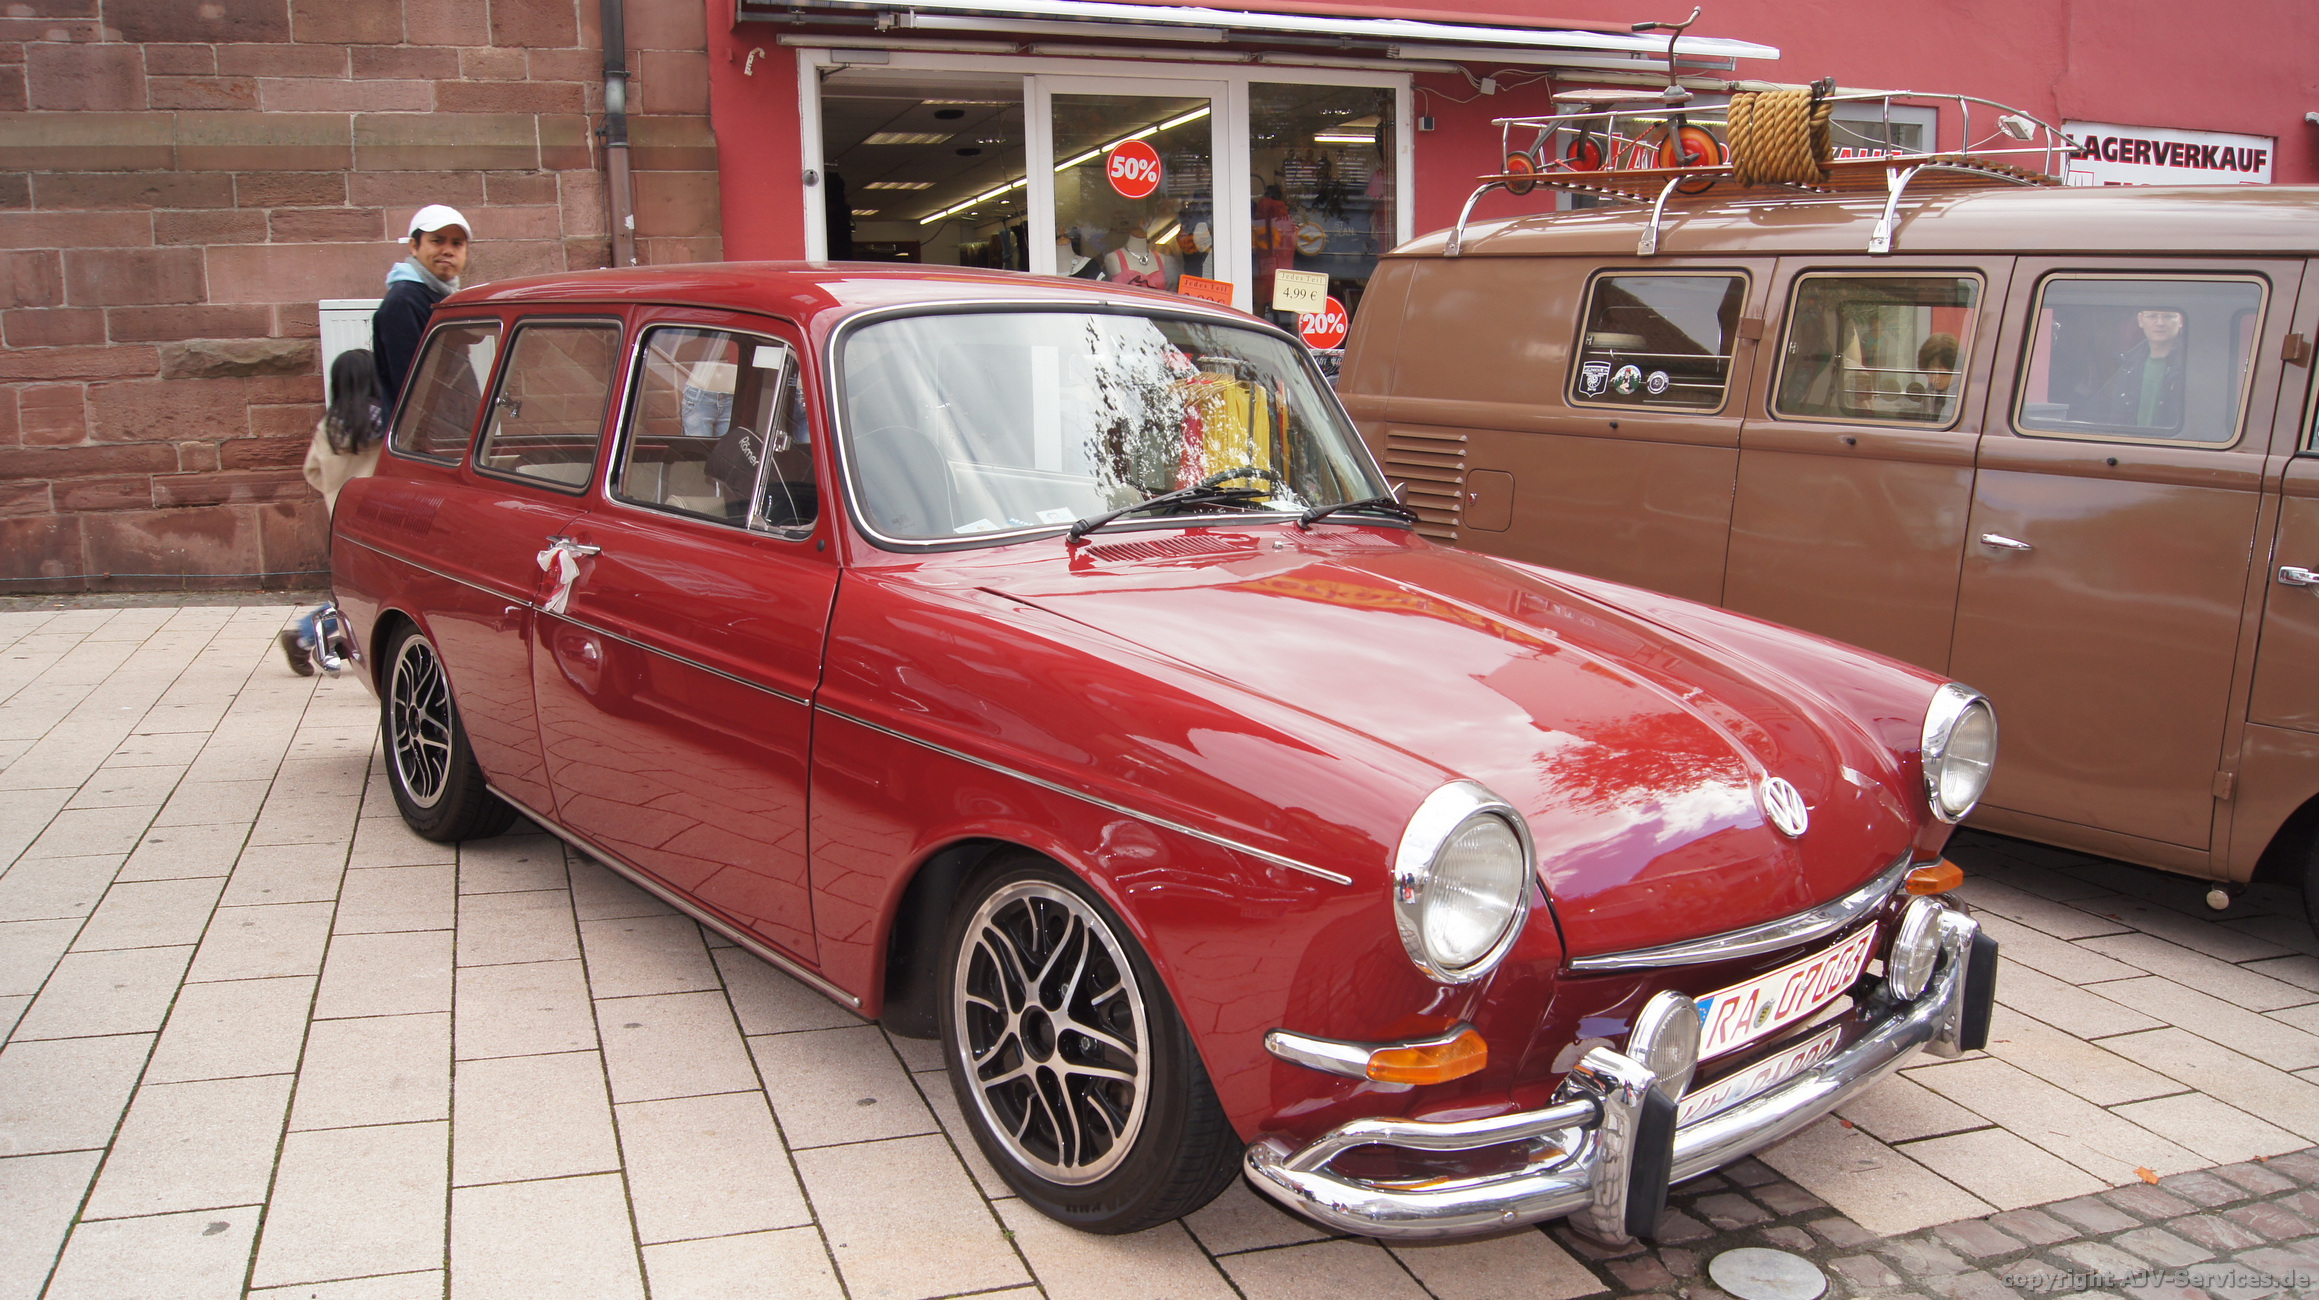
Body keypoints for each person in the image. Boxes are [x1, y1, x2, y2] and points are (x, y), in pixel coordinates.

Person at [280, 349, 386, 675]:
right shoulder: (390, 423)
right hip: (386, 519)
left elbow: (312, 471)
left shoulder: (328, 427)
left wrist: (334, 491)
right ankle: (307, 637)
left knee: (360, 589)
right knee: (378, 590)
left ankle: (323, 641)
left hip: (344, 521)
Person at [373, 204, 471, 419]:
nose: (448, 250)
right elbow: (414, 390)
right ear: (414, 246)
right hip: (430, 434)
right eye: (437, 241)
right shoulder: (405, 301)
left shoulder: (441, 296)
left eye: (457, 243)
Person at [2086, 307, 2186, 430]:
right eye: (2152, 316)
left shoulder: (2190, 366)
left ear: (2181, 321)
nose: (2160, 323)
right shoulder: (2128, 365)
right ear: (2140, 320)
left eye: (2168, 316)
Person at [1904, 332, 1959, 418]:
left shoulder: (1963, 395)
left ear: (1953, 367)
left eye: (1938, 372)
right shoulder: (1931, 392)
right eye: (1930, 373)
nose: (1933, 379)